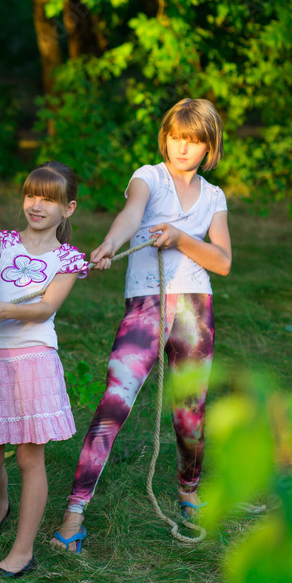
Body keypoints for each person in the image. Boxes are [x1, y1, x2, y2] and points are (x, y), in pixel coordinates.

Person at [51, 98, 232, 554]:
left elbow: (223, 261)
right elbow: (132, 213)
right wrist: (111, 242)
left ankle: (188, 491)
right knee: (116, 400)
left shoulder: (213, 197)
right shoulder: (148, 176)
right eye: (175, 137)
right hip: (147, 304)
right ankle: (74, 512)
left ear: (209, 146)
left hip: (194, 306)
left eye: (192, 141)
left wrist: (182, 237)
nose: (181, 148)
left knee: (190, 412)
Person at [0, 162, 88, 577]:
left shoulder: (68, 258)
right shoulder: (1, 242)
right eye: (32, 195)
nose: (37, 205)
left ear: (67, 209)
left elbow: (46, 307)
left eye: (48, 199)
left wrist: (7, 309)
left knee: (31, 457)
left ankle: (23, 551)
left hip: (35, 360)